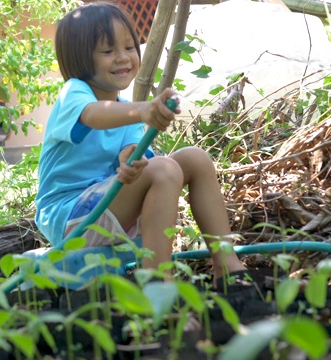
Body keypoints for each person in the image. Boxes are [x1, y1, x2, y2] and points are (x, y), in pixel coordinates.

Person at [35, 2, 246, 284]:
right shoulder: (74, 93)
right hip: (68, 217)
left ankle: (228, 267)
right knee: (164, 169)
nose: (123, 57)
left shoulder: (128, 111)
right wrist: (144, 110)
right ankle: (158, 285)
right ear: (80, 59)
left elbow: (132, 153)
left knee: (195, 158)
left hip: (108, 204)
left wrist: (131, 163)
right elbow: (93, 115)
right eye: (108, 51)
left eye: (130, 47)